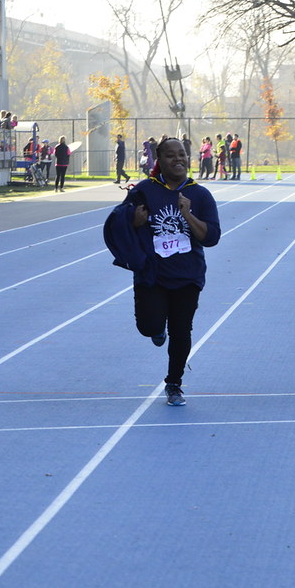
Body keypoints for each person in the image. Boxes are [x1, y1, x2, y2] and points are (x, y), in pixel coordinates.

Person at [102, 137, 221, 406]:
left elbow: (212, 237)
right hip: (152, 274)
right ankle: (156, 330)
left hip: (187, 275)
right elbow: (117, 222)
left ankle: (174, 383)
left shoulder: (200, 195)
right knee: (149, 326)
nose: (178, 159)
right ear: (158, 159)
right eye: (171, 155)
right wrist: (133, 221)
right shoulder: (144, 190)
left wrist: (188, 215)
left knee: (182, 331)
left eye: (182, 155)